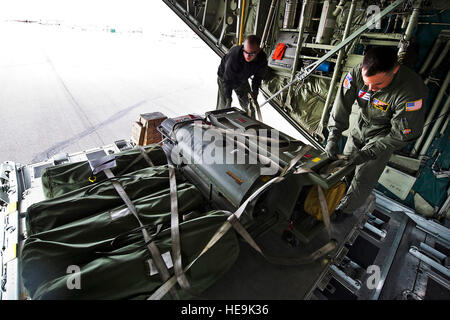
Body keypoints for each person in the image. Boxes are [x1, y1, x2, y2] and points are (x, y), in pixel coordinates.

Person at [325, 46, 428, 220]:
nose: (371, 89)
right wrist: (333, 137)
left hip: (385, 136)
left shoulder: (411, 92)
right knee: (346, 165)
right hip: (361, 125)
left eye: (378, 84)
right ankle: (337, 196)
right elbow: (341, 105)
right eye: (367, 83)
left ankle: (346, 210)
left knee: (363, 176)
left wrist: (370, 152)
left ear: (394, 70)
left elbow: (401, 135)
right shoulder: (357, 73)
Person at [216, 35, 267, 116]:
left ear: (258, 50)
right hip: (225, 78)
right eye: (245, 52)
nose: (247, 56)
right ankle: (218, 121)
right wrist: (228, 99)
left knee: (250, 106)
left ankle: (251, 124)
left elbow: (258, 78)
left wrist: (255, 92)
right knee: (223, 107)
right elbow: (227, 80)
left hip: (242, 79)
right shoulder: (234, 56)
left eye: (251, 53)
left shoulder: (262, 59)